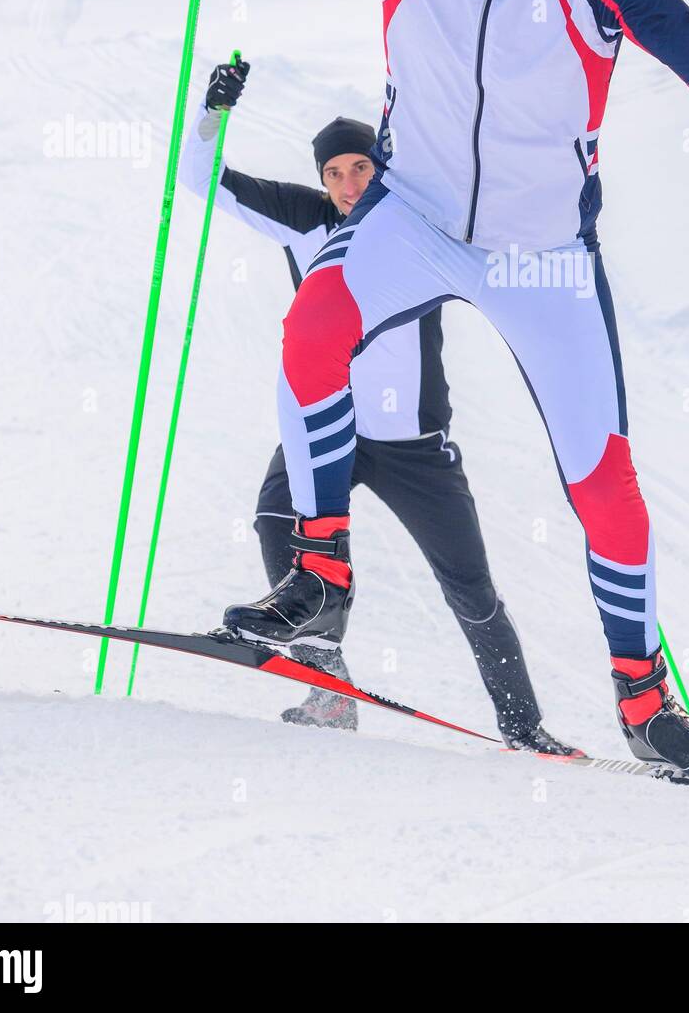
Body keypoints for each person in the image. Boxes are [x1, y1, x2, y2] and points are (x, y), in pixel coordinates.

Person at [178, 0, 689, 782]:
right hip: (417, 218)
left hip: (544, 255)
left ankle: (647, 703)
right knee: (314, 325)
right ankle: (321, 571)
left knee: (605, 483)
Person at [177, 56, 576, 754]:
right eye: (334, 173)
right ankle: (327, 688)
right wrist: (213, 113)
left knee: (469, 586)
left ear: (379, 167)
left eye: (359, 168)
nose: (347, 184)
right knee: (278, 519)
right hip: (325, 423)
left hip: (413, 443)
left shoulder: (415, 224)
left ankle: (524, 727)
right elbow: (201, 179)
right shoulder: (305, 221)